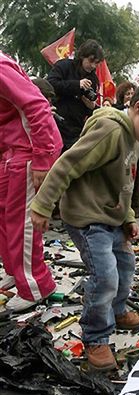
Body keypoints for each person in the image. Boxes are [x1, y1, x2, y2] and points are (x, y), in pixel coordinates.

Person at [30, 76, 139, 371]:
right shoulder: (110, 131)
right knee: (105, 276)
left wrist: (127, 218)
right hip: (87, 218)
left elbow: (124, 183)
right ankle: (96, 336)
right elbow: (67, 164)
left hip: (111, 218)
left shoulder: (137, 140)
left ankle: (115, 310)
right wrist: (42, 205)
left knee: (125, 265)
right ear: (138, 107)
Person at [0, 51, 62, 311]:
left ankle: (37, 284)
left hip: (28, 149)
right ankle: (17, 270)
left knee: (22, 221)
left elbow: (36, 104)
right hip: (10, 150)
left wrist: (41, 157)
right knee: (4, 217)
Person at [48, 39, 104, 151]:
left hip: (76, 130)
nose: (93, 66)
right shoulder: (64, 66)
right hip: (57, 123)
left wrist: (92, 107)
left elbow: (90, 109)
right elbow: (51, 84)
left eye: (96, 63)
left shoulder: (93, 79)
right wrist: (77, 84)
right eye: (91, 61)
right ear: (83, 56)